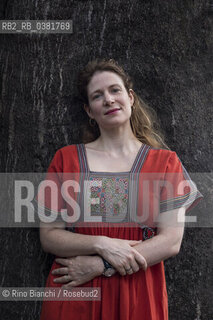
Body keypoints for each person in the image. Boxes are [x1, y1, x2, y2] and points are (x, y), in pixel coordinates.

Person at [36, 58, 202, 320]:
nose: (109, 100)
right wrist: (101, 243)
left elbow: (171, 241)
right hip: (75, 291)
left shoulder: (165, 163)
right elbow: (49, 236)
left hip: (137, 293)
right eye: (98, 95)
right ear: (89, 111)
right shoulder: (66, 159)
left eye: (115, 90)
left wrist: (100, 265)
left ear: (131, 97)